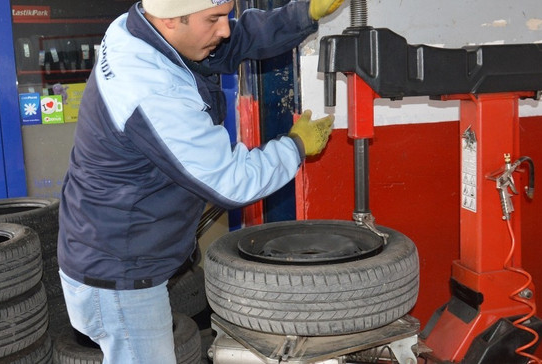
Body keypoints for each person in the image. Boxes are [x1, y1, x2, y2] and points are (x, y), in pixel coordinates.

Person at [57, 0, 343, 362]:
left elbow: (234, 40)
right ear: (172, 21)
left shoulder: (142, 29)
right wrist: (295, 147)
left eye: (226, 14)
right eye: (214, 19)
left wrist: (303, 14)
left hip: (117, 249)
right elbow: (230, 181)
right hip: (118, 275)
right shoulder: (150, 90)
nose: (224, 29)